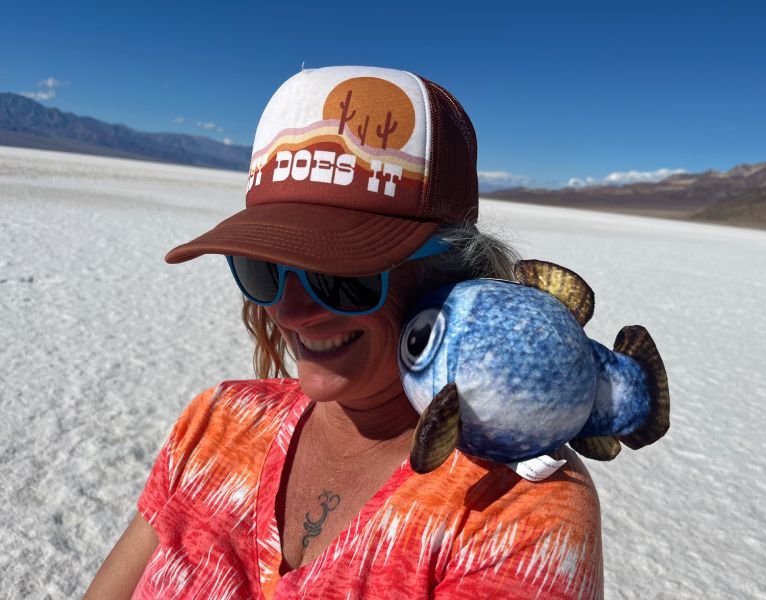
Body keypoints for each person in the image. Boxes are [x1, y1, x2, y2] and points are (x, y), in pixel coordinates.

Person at [84, 65, 603, 599]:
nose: (289, 311)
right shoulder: (217, 423)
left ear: (450, 275)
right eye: (265, 267)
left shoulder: (511, 508)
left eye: (338, 276)